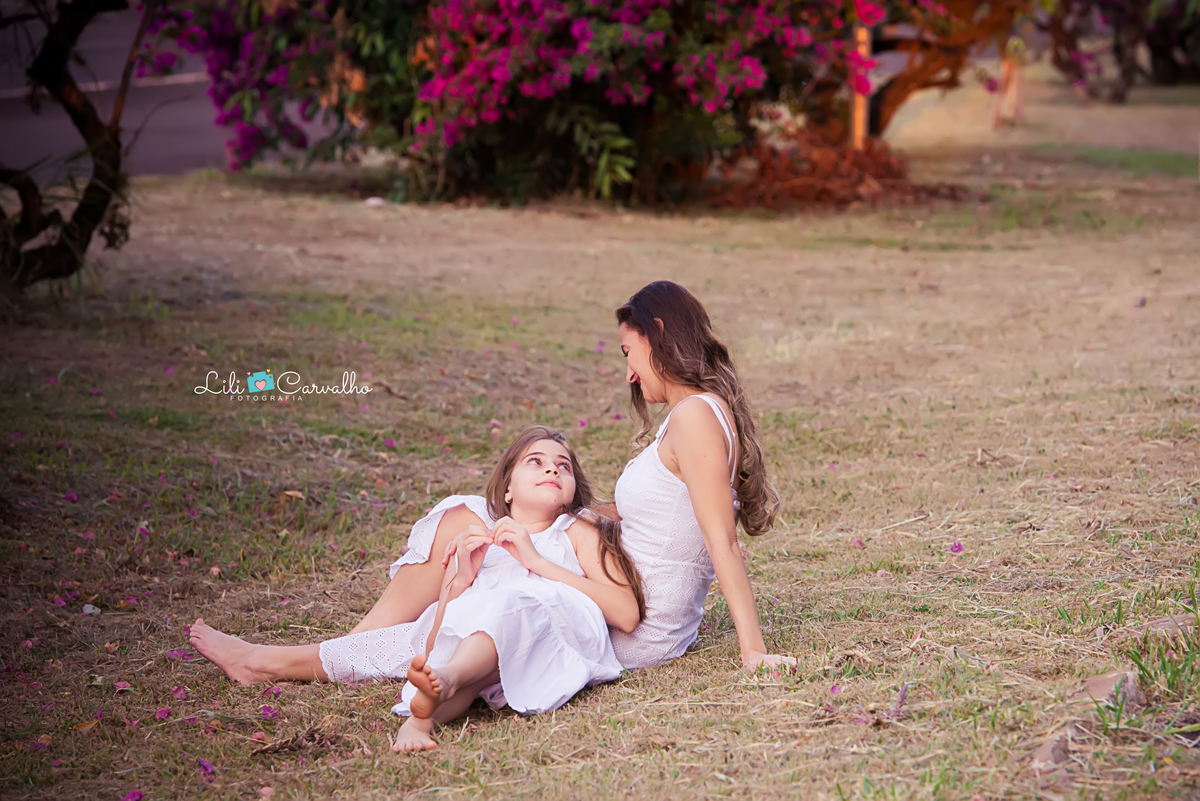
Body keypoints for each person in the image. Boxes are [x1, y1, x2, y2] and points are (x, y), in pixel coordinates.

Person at [190, 279, 792, 685]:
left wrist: (752, 651)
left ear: (658, 334)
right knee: (466, 524)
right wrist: (567, 513)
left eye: (628, 352)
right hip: (614, 583)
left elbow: (721, 543)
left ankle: (276, 663)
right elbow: (655, 519)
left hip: (629, 625)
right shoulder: (698, 416)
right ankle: (343, 651)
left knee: (476, 587)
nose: (630, 374)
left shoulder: (693, 417)